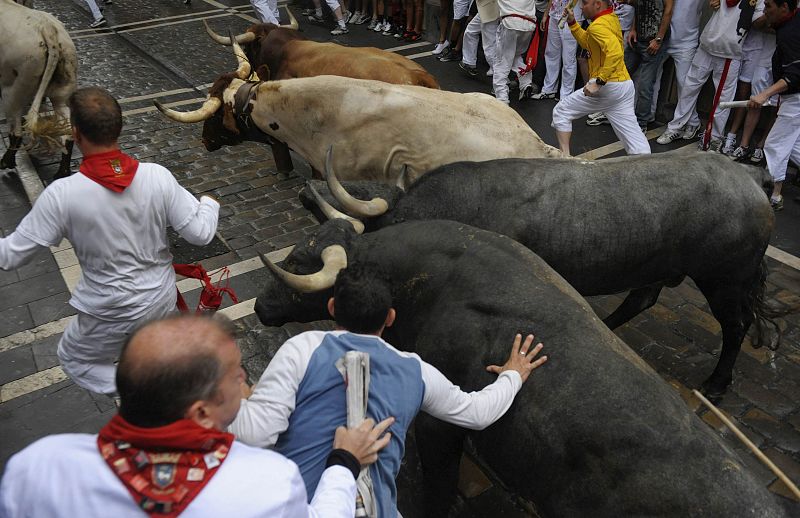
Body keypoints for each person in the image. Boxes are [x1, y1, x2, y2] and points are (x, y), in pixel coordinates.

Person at [229, 265, 548, 517]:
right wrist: (513, 375)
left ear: (331, 307)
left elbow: (256, 433)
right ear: (390, 317)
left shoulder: (302, 348)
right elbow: (478, 413)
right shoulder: (416, 372)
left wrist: (241, 399)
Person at [0, 316, 394, 517]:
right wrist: (343, 460)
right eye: (235, 374)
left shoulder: (38, 465)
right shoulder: (267, 483)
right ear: (202, 413)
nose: (245, 378)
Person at [0, 87, 220, 396]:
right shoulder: (157, 176)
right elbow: (201, 234)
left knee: (75, 358)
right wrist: (209, 203)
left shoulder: (62, 195)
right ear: (119, 127)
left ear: (75, 134)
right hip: (160, 301)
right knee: (154, 356)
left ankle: (144, 392)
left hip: (108, 312)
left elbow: (10, 257)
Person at [655, 0, 765, 150]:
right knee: (689, 87)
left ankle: (714, 139)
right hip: (706, 45)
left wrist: (773, 13)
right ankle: (676, 127)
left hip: (729, 52)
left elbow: (758, 22)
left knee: (722, 99)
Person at [551, 0, 651, 155]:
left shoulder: (598, 26)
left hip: (607, 87)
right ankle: (648, 167)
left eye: (585, 3)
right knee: (635, 140)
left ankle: (565, 159)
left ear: (597, 4)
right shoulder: (611, 18)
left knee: (561, 111)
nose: (582, 7)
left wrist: (599, 82)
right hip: (623, 86)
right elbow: (588, 43)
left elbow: (615, 52)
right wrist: (572, 23)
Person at [748, 0, 799, 210]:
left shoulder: (789, 33)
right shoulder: (791, 24)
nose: (765, 11)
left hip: (796, 99)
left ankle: (775, 196)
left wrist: (764, 94)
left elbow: (795, 75)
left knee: (775, 144)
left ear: (784, 7)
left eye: (768, 6)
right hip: (794, 98)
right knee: (794, 147)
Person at [623, 0, 674, 132]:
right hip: (638, 37)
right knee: (621, 74)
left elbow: (668, 10)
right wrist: (633, 28)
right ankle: (614, 113)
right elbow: (638, 6)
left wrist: (659, 39)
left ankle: (641, 124)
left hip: (653, 40)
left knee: (645, 85)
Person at [534, 0, 584, 100]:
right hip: (555, 14)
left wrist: (569, 8)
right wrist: (546, 14)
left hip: (572, 16)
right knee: (551, 54)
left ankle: (566, 96)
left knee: (568, 58)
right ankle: (549, 89)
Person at [493, 0, 538, 103]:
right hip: (528, 25)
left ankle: (502, 98)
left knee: (502, 61)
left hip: (511, 22)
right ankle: (526, 83)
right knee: (515, 56)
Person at [459, 0, 500, 78]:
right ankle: (469, 62)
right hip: (486, 8)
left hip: (490, 9)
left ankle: (502, 78)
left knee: (489, 46)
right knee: (470, 31)